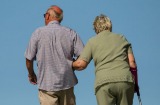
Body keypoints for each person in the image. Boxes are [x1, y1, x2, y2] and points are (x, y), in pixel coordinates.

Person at [25, 5, 84, 105]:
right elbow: (83, 57)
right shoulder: (70, 33)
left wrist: (31, 74)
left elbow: (28, 58)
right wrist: (72, 66)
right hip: (67, 83)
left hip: (46, 85)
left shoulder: (37, 33)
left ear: (47, 16)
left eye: (44, 15)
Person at [72, 14, 137, 105]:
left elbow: (81, 64)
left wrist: (71, 64)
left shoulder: (92, 41)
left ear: (95, 28)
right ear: (109, 24)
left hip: (104, 82)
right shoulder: (122, 38)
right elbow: (132, 63)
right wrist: (135, 84)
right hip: (125, 80)